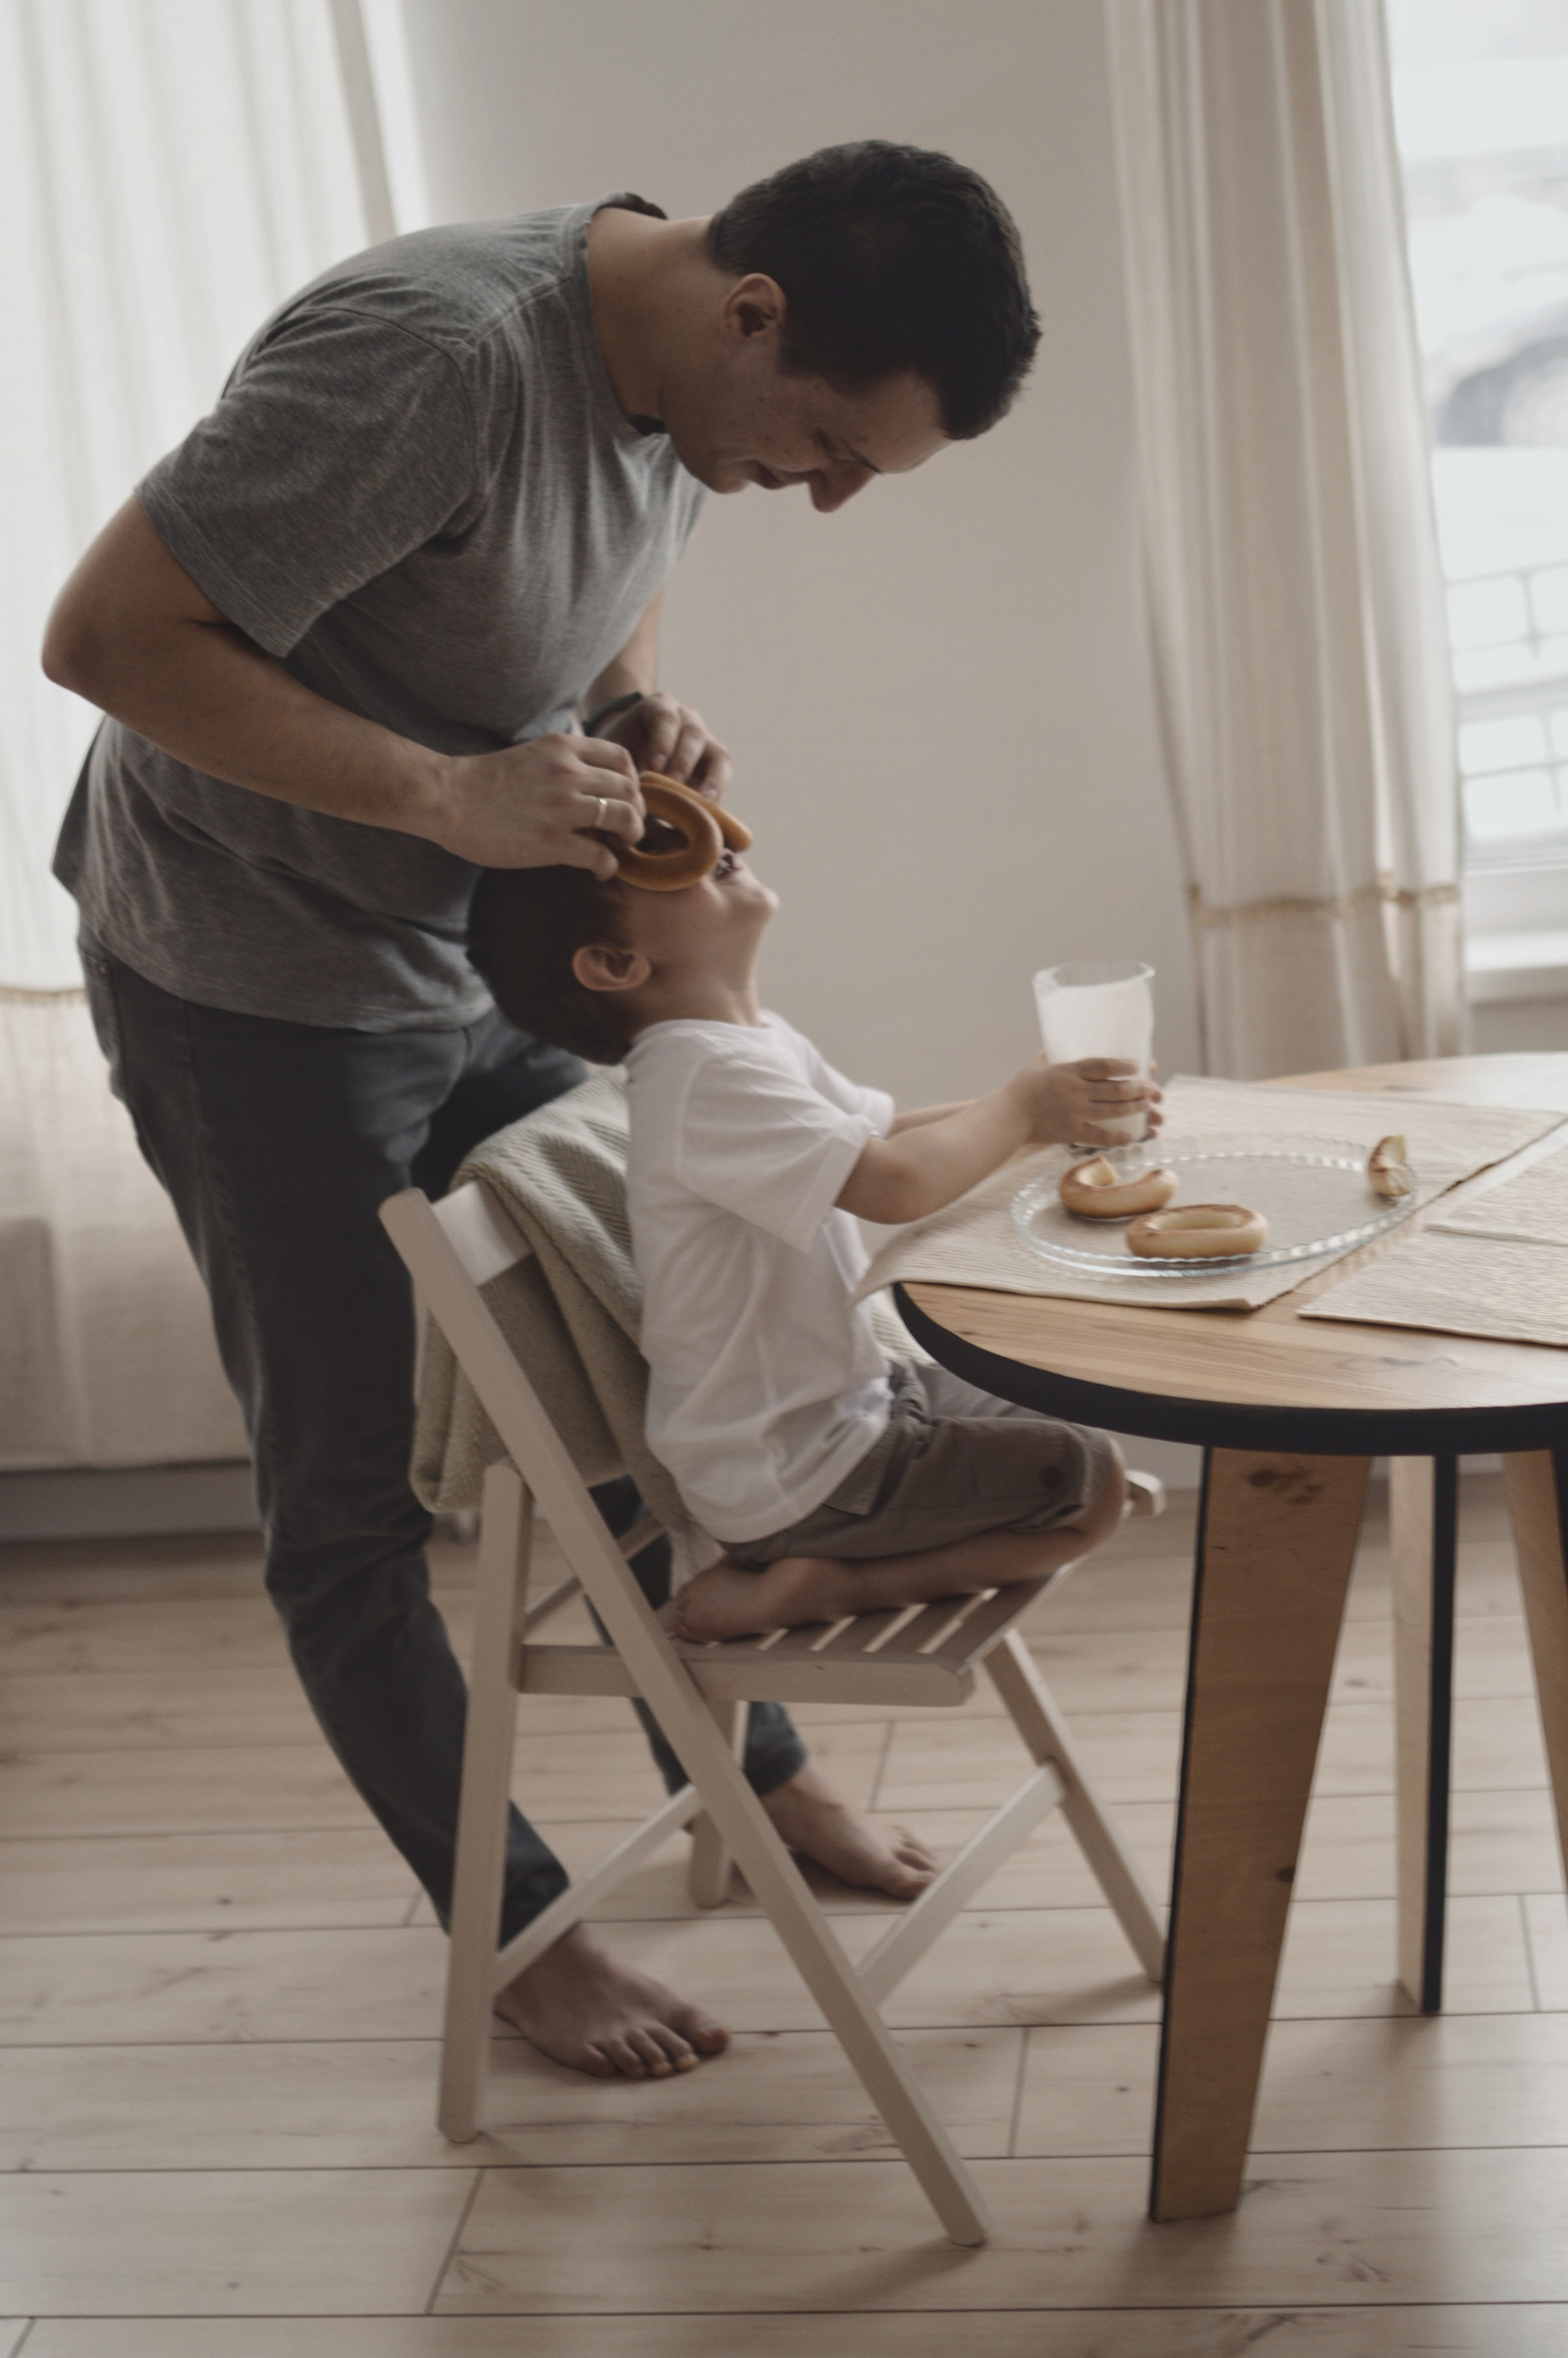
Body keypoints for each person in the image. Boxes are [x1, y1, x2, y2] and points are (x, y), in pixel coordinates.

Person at [41, 142, 1041, 2084]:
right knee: (345, 1496)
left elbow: (610, 578)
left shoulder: (688, 382)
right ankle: (515, 1926)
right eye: (829, 446)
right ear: (753, 316)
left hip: (469, 944)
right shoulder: (431, 364)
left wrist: (619, 710)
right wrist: (438, 797)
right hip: (251, 976)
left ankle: (750, 1775)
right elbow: (102, 640)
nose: (824, 497)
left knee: (639, 1347)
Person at [468, 834, 1163, 1644]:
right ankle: (829, 1587)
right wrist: (1020, 1106)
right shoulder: (701, 1072)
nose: (715, 839)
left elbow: (881, 1138)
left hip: (844, 1408)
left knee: (1061, 1399)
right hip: (794, 1473)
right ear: (617, 961)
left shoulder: (746, 1042)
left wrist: (1043, 1111)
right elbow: (895, 1183)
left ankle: (848, 1554)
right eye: (655, 856)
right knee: (1095, 1485)